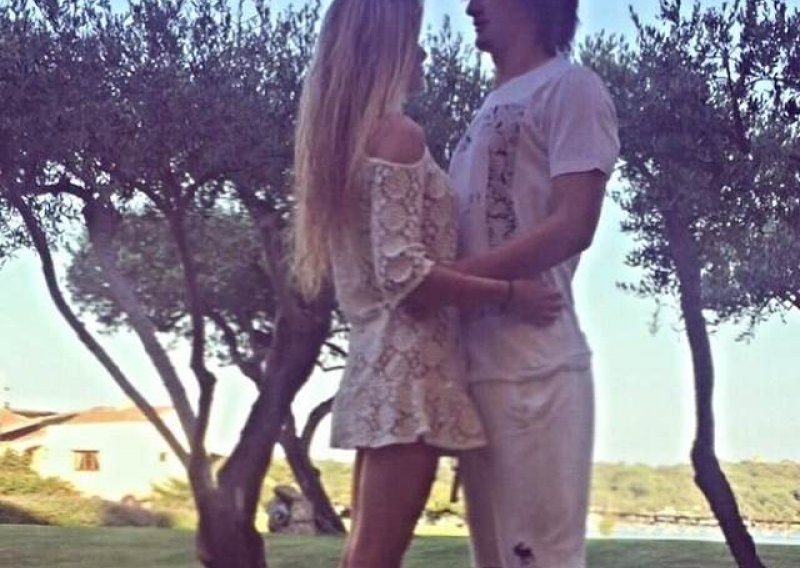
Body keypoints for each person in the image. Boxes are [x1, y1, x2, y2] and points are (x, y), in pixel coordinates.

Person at [291, 1, 564, 567]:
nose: (423, 52)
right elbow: (404, 276)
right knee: (374, 557)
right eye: (412, 40)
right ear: (386, 50)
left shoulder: (349, 143)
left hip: (378, 365)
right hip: (409, 374)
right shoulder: (398, 137)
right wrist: (511, 293)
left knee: (363, 556)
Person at [450, 1, 621, 567]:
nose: (470, 6)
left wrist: (449, 282)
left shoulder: (571, 88)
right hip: (478, 373)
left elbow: (575, 223)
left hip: (537, 372)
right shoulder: (486, 108)